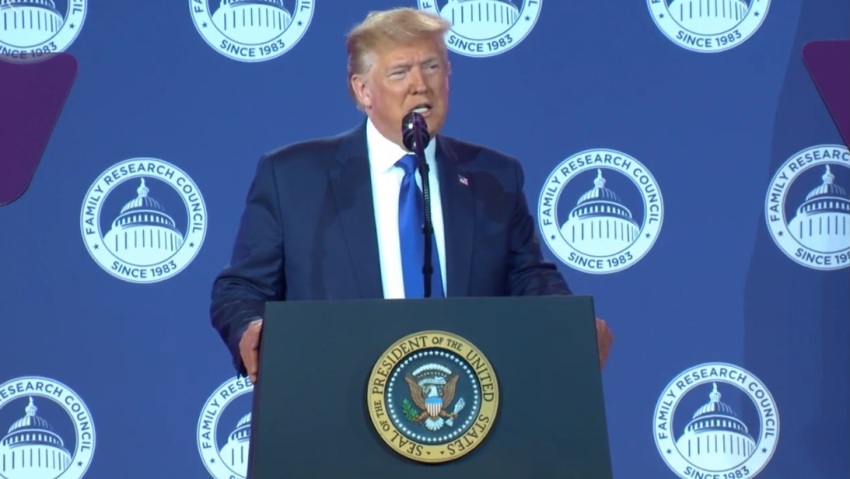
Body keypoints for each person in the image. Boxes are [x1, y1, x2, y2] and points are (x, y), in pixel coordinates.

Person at [210, 7, 614, 384]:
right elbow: (241, 288)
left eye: (433, 67)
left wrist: (568, 322)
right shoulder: (294, 177)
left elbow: (529, 277)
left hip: (466, 406)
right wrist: (252, 329)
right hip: (336, 402)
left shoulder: (494, 176)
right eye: (400, 72)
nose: (421, 84)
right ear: (363, 90)